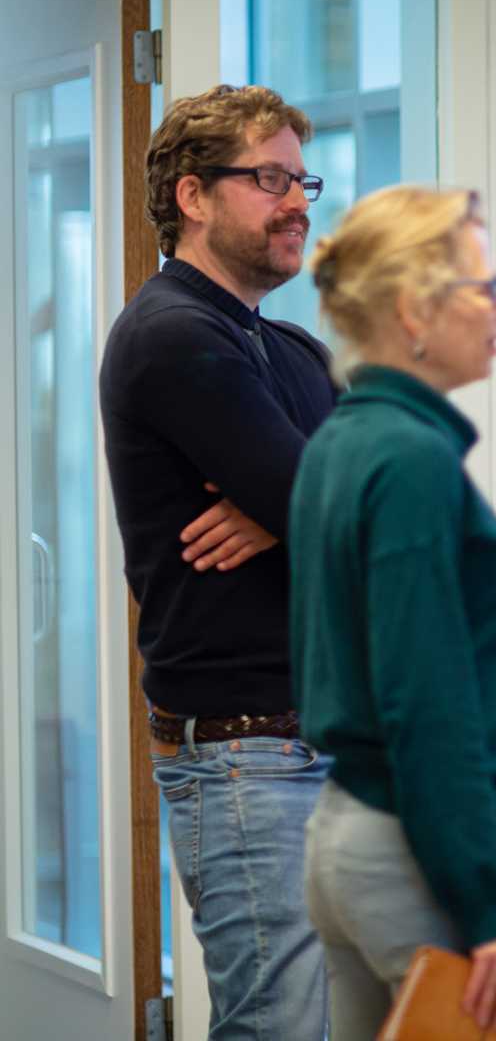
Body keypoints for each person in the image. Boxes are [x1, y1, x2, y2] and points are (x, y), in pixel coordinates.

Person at [288, 186, 496, 1035]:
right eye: (485, 287)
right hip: (417, 850)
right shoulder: (409, 460)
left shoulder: (342, 440)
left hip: (348, 837)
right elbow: (421, 707)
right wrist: (484, 909)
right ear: (413, 311)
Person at [100, 83, 335, 1039]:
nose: (298, 202)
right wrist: (304, 498)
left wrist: (292, 500)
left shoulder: (284, 346)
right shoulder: (174, 334)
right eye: (268, 178)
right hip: (246, 759)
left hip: (313, 742)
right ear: (193, 196)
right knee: (279, 1026)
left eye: (301, 177)